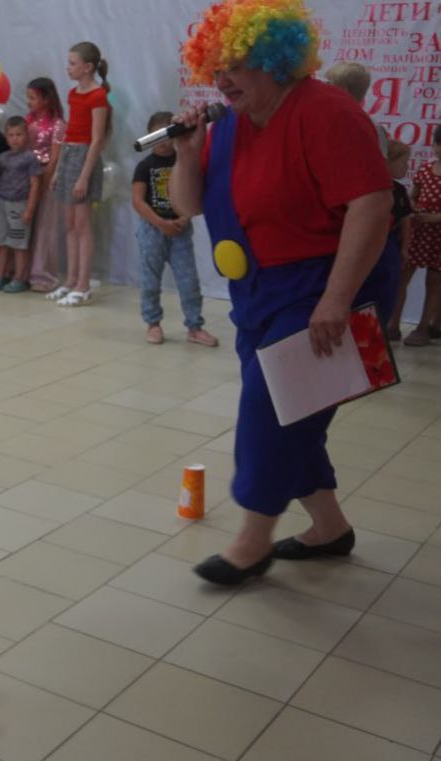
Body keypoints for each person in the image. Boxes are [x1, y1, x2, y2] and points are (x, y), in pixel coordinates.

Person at [170, 0, 395, 586]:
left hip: (329, 282)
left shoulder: (327, 112)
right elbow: (188, 206)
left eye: (237, 64)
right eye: (216, 66)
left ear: (275, 60)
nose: (223, 79)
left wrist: (336, 300)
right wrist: (189, 154)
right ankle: (330, 528)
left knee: (268, 410)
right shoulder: (230, 125)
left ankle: (252, 541)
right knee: (295, 411)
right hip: (259, 290)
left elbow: (373, 206)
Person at [132, 110, 218, 347]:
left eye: (167, 135)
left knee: (189, 281)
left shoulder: (183, 162)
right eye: (157, 136)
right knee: (150, 281)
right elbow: (138, 201)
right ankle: (153, 323)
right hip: (152, 231)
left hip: (180, 232)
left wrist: (183, 218)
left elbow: (193, 193)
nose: (163, 142)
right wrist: (161, 223)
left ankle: (195, 327)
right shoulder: (144, 166)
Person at [48, 41, 111, 307]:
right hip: (69, 155)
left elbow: (97, 140)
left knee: (83, 225)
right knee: (70, 224)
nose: (68, 68)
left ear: (87, 67)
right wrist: (58, 170)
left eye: (73, 63)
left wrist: (84, 176)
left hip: (85, 158)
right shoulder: (73, 94)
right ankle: (71, 279)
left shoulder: (98, 96)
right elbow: (69, 132)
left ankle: (83, 284)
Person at [0, 116, 42, 292]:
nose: (15, 139)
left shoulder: (30, 158)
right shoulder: (2, 158)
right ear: (6, 137)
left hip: (20, 204)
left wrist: (29, 209)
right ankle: (0, 276)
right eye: (11, 135)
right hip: (2, 203)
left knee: (19, 244)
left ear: (26, 135)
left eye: (19, 134)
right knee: (2, 242)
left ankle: (19, 278)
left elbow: (35, 184)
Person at [400, 126, 441, 346]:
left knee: (434, 281)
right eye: (439, 144)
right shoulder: (425, 169)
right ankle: (392, 323)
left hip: (439, 237)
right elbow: (413, 195)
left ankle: (424, 327)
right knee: (403, 275)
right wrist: (414, 207)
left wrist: (436, 218)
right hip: (420, 232)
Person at [25, 77, 66, 292]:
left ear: (46, 99)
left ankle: (43, 275)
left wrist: (43, 181)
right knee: (24, 224)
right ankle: (21, 270)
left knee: (45, 228)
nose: (29, 102)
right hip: (26, 179)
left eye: (33, 98)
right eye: (28, 97)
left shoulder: (57, 125)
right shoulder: (28, 121)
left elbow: (55, 158)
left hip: (46, 181)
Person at [385, 139, 416, 340]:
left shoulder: (399, 190)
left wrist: (405, 248)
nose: (406, 167)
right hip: (374, 244)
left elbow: (406, 221)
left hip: (391, 245)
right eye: (403, 162)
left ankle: (390, 324)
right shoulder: (373, 190)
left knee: (392, 285)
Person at [325, 61, 388, 156]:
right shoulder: (375, 128)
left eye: (328, 85)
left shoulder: (328, 124)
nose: (323, 89)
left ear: (343, 91)